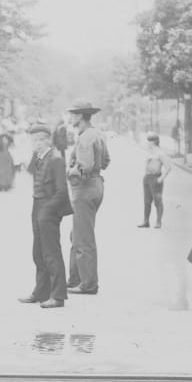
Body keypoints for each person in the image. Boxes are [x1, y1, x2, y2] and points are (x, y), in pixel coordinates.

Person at [19, 123, 71, 309]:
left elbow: (62, 192)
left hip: (48, 207)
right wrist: (35, 154)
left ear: (49, 140)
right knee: (38, 252)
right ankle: (41, 292)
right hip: (37, 204)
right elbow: (31, 172)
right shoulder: (41, 157)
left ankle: (58, 296)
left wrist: (48, 210)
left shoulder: (56, 159)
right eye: (34, 140)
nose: (37, 143)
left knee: (51, 253)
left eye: (41, 140)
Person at [65, 100, 108, 295]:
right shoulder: (97, 134)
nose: (71, 118)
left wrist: (68, 171)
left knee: (83, 238)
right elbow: (106, 161)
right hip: (96, 184)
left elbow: (83, 168)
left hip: (84, 188)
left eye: (73, 114)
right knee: (77, 235)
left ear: (81, 116)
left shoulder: (85, 138)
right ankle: (75, 279)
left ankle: (88, 284)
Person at [138, 133, 171, 228]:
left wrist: (161, 178)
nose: (147, 143)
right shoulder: (149, 152)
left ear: (153, 142)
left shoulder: (160, 153)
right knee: (147, 201)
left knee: (158, 201)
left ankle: (158, 222)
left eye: (149, 141)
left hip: (156, 178)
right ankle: (146, 221)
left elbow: (168, 167)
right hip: (147, 177)